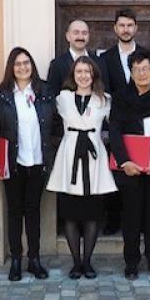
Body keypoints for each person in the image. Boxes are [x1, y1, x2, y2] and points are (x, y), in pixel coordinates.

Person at [0, 48, 55, 282]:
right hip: (13, 163)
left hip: (38, 162)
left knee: (33, 211)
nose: (23, 67)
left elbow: (56, 126)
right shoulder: (2, 95)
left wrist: (52, 154)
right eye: (17, 64)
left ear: (32, 65)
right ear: (11, 68)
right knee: (14, 212)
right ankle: (16, 259)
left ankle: (34, 258)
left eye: (26, 63)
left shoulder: (45, 91)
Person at [46, 56, 116, 279]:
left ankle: (87, 262)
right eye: (79, 71)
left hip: (94, 157)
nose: (83, 75)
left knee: (92, 214)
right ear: (73, 75)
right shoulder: (62, 98)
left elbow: (116, 126)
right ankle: (76, 262)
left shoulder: (104, 99)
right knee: (70, 214)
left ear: (94, 74)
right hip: (69, 156)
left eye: (87, 71)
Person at [109, 50, 150, 280]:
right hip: (130, 168)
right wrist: (124, 161)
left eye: (145, 69)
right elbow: (115, 131)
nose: (141, 74)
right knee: (131, 217)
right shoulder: (121, 98)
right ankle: (131, 262)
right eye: (136, 69)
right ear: (131, 72)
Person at [99, 8, 149, 235]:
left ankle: (141, 222)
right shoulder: (104, 58)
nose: (126, 29)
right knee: (116, 173)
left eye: (130, 25)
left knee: (141, 176)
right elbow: (103, 91)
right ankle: (113, 220)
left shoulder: (147, 55)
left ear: (136, 28)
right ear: (115, 28)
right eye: (122, 25)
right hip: (115, 124)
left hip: (142, 126)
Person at [47, 19, 102, 93]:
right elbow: (52, 93)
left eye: (84, 33)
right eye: (76, 33)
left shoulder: (100, 62)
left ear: (88, 36)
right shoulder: (57, 64)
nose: (80, 37)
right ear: (68, 36)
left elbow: (105, 90)